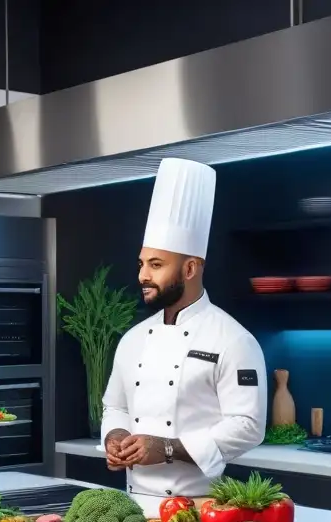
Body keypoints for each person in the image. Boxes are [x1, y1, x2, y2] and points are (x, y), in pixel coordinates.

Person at [101, 157, 267, 498]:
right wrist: (114, 436)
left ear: (190, 268)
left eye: (156, 265)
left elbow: (248, 427)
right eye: (142, 264)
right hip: (134, 505)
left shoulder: (234, 339)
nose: (143, 276)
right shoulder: (133, 339)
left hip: (201, 509)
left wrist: (166, 447)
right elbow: (115, 407)